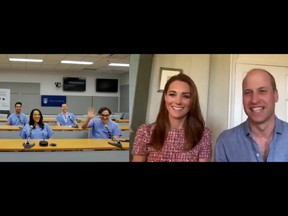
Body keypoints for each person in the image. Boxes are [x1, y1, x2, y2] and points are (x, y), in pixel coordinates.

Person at [131, 73, 212, 162]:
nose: (178, 101)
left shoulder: (203, 134)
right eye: (172, 94)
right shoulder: (145, 132)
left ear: (192, 101)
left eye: (186, 96)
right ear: (165, 97)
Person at [215, 68, 288, 162]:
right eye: (248, 93)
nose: (254, 100)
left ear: (275, 95)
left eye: (262, 91)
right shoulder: (225, 141)